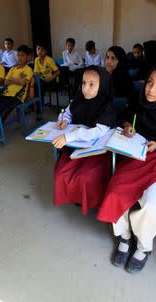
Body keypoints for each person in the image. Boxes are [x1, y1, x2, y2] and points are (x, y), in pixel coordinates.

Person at [97, 62, 156, 273]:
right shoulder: (139, 101)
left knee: (150, 204)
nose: (151, 89)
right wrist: (127, 126)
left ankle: (143, 246)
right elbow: (127, 117)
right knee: (116, 191)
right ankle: (125, 236)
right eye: (150, 82)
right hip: (137, 157)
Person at [53, 65, 117, 214]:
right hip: (76, 146)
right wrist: (64, 121)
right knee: (62, 173)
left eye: (92, 84)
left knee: (85, 177)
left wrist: (70, 136)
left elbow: (98, 131)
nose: (85, 88)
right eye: (83, 83)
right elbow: (67, 113)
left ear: (103, 86)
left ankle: (88, 201)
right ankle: (75, 197)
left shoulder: (107, 106)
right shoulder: (78, 99)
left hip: (96, 151)